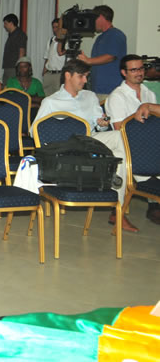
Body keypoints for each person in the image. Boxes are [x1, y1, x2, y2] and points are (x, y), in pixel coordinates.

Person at [33, 59, 138, 232]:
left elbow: (100, 125)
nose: (84, 80)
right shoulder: (51, 102)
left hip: (91, 139)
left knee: (120, 138)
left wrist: (103, 123)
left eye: (86, 76)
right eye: (81, 76)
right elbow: (34, 130)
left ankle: (115, 192)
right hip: (68, 147)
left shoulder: (90, 96)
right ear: (68, 75)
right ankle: (112, 185)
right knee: (111, 146)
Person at [105, 55, 160, 224]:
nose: (139, 73)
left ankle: (154, 204)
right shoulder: (117, 96)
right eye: (134, 70)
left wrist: (148, 106)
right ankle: (123, 210)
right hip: (131, 147)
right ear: (124, 73)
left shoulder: (148, 93)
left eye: (141, 69)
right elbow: (120, 130)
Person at [78, 5, 127, 98]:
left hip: (109, 89)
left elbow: (111, 56)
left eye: (93, 19)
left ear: (100, 17)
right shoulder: (100, 37)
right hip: (98, 88)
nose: (92, 22)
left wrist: (88, 60)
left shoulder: (115, 34)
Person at [42, 18, 66, 96]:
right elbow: (47, 57)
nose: (55, 29)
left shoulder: (66, 41)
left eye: (57, 27)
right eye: (53, 27)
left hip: (59, 74)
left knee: (58, 97)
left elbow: (61, 53)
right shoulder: (50, 40)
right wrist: (44, 71)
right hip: (49, 73)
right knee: (46, 97)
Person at [1, 13, 27, 83]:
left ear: (11, 23)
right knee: (6, 88)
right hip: (8, 67)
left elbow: (21, 52)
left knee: (12, 88)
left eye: (5, 23)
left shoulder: (19, 34)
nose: (4, 26)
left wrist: (19, 68)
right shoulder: (11, 35)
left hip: (14, 68)